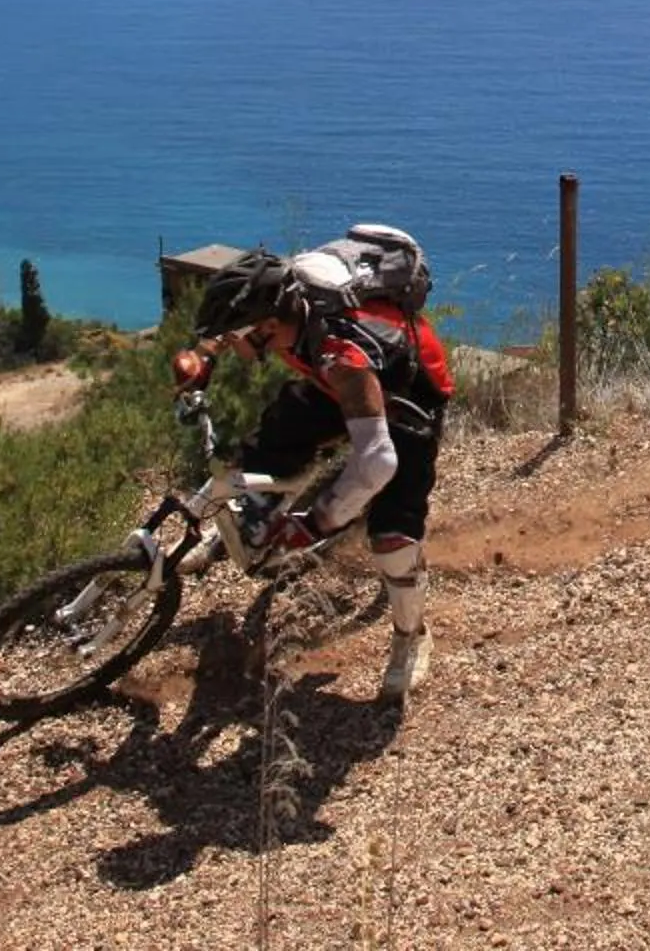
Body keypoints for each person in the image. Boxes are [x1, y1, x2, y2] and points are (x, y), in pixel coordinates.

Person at [183, 233, 457, 702]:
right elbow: (233, 315)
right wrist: (201, 359)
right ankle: (243, 522)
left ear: (268, 327)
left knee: (393, 533)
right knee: (271, 438)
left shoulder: (339, 350)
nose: (234, 343)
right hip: (336, 386)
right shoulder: (283, 297)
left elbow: (376, 460)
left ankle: (412, 637)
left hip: (405, 399)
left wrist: (317, 524)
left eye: (239, 337)